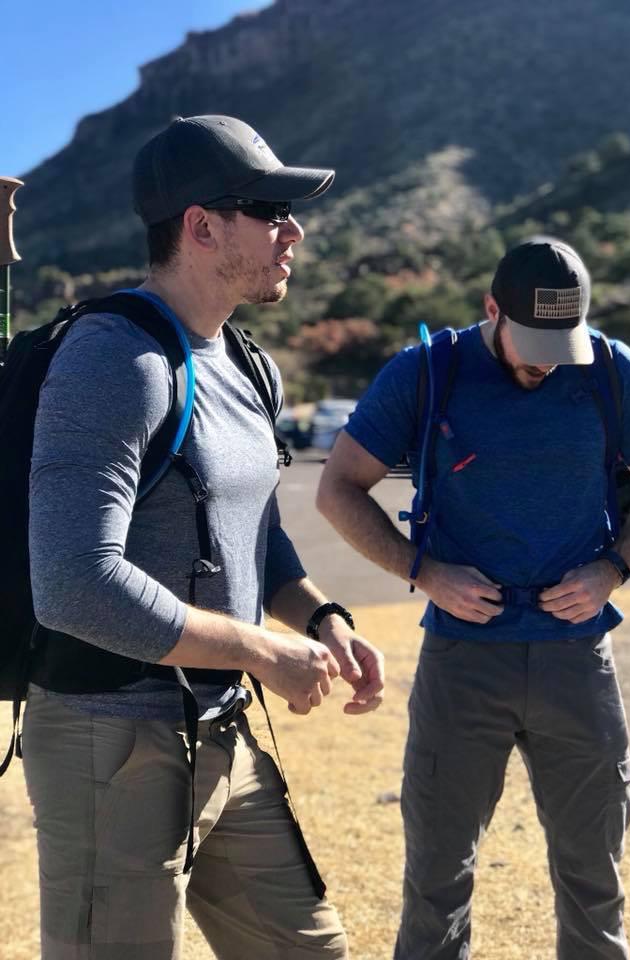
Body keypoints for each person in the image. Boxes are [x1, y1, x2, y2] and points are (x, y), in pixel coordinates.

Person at [24, 114, 384, 960]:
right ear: (202, 226)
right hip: (109, 740)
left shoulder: (248, 363)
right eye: (270, 208)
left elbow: (253, 527)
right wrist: (259, 650)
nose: (293, 229)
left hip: (220, 724)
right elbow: (73, 580)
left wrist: (322, 616)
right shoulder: (115, 359)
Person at [317, 237, 630, 960]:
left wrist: (613, 569)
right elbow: (337, 487)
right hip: (463, 663)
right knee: (436, 884)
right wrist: (423, 572)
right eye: (532, 341)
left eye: (563, 342)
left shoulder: (611, 371)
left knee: (595, 884)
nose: (547, 359)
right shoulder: (427, 372)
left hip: (577, 662)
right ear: (491, 310)